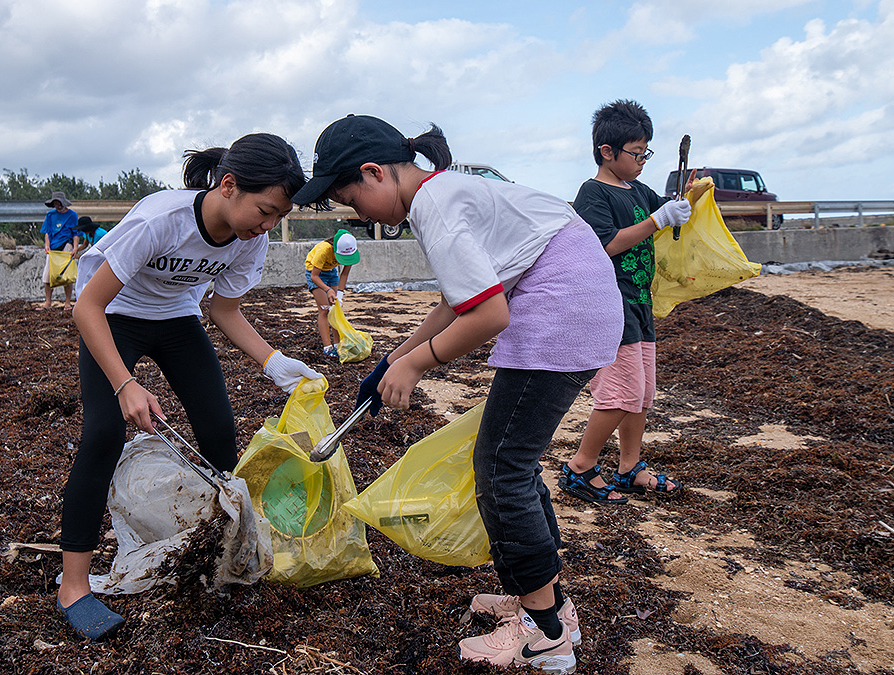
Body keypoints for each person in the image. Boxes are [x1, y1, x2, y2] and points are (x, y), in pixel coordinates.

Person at [293, 115, 623, 674]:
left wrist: (417, 365)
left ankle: (545, 633)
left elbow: (489, 315)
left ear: (375, 173)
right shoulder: (446, 193)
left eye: (353, 200)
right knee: (509, 464)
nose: (358, 215)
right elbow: (457, 301)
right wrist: (393, 359)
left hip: (560, 318)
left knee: (501, 471)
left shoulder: (436, 207)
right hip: (576, 313)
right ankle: (545, 604)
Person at [56, 132, 321, 641]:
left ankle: (226, 550)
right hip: (113, 317)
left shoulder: (251, 239)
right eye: (264, 211)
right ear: (228, 186)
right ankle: (74, 586)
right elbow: (85, 307)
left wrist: (274, 362)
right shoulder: (163, 221)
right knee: (102, 436)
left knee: (220, 430)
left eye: (277, 218)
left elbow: (224, 310)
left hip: (176, 320)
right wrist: (126, 384)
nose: (267, 226)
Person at [559, 100, 690, 505]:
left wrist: (687, 201)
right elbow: (607, 244)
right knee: (620, 393)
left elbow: (666, 211)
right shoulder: (593, 193)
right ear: (607, 152)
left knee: (643, 393)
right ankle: (580, 467)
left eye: (646, 153)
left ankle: (630, 467)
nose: (642, 161)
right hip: (609, 307)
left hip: (639, 304)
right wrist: (658, 220)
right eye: (636, 154)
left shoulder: (639, 191)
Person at [304, 228, 360, 357]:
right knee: (324, 309)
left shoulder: (350, 249)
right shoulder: (323, 250)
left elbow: (344, 273)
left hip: (331, 272)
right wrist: (328, 290)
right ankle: (327, 347)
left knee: (335, 308)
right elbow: (314, 276)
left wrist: (339, 294)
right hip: (316, 273)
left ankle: (337, 343)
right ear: (336, 250)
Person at [39, 191, 82, 311]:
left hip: (66, 245)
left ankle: (67, 302)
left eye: (59, 203)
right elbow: (47, 232)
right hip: (53, 247)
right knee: (47, 275)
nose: (58, 206)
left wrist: (75, 248)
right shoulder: (50, 215)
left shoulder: (72, 215)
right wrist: (46, 244)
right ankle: (48, 302)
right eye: (55, 204)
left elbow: (76, 233)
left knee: (67, 276)